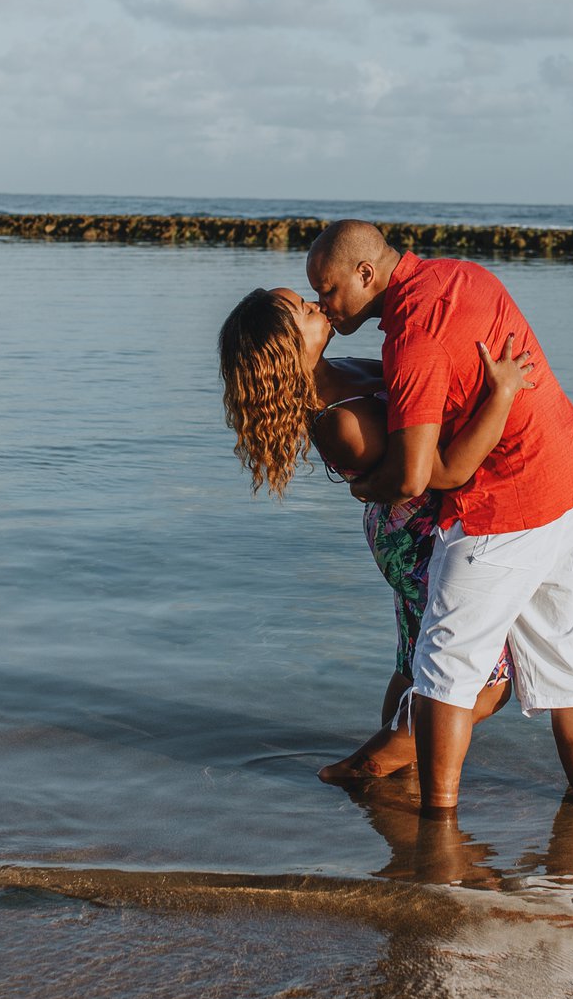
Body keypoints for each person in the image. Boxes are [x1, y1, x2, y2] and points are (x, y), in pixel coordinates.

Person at [304, 220, 573, 814]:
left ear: (367, 274)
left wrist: (364, 486)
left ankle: (437, 823)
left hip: (507, 507)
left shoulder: (413, 334)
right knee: (566, 664)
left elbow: (418, 476)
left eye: (329, 288)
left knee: (444, 672)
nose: (323, 302)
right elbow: (414, 390)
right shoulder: (462, 275)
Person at [217, 286, 537, 781]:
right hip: (415, 537)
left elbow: (418, 389)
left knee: (416, 660)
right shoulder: (341, 422)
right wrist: (503, 394)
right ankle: (367, 765)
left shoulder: (339, 369)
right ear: (285, 346)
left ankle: (397, 764)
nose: (316, 303)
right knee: (485, 686)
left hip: (410, 527)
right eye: (303, 309)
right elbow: (444, 471)